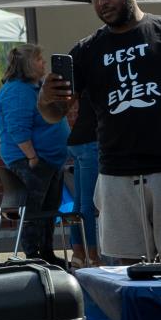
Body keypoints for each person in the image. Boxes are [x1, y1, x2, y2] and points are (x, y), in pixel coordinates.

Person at [39, 0, 161, 262]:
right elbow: (54, 114)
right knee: (127, 271)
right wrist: (47, 98)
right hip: (116, 175)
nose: (101, 2)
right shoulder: (86, 51)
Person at [0, 44, 68, 261]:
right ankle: (33, 255)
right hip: (32, 161)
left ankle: (46, 253)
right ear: (28, 64)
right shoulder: (17, 91)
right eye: (39, 59)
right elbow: (17, 129)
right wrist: (32, 158)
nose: (44, 63)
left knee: (48, 211)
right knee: (33, 211)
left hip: (49, 161)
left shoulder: (34, 88)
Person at [68, 96, 101, 267]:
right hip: (90, 141)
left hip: (77, 139)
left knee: (79, 202)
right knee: (87, 204)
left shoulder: (88, 77)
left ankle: (78, 254)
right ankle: (93, 256)